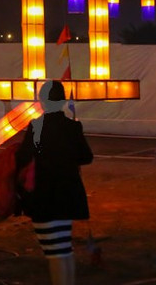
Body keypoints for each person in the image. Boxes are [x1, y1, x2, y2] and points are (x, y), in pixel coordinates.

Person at [15, 80, 93, 285]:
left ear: (42, 101)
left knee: (54, 252)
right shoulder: (73, 126)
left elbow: (22, 158)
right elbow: (86, 157)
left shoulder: (36, 127)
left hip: (44, 196)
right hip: (67, 194)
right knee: (64, 249)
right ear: (63, 101)